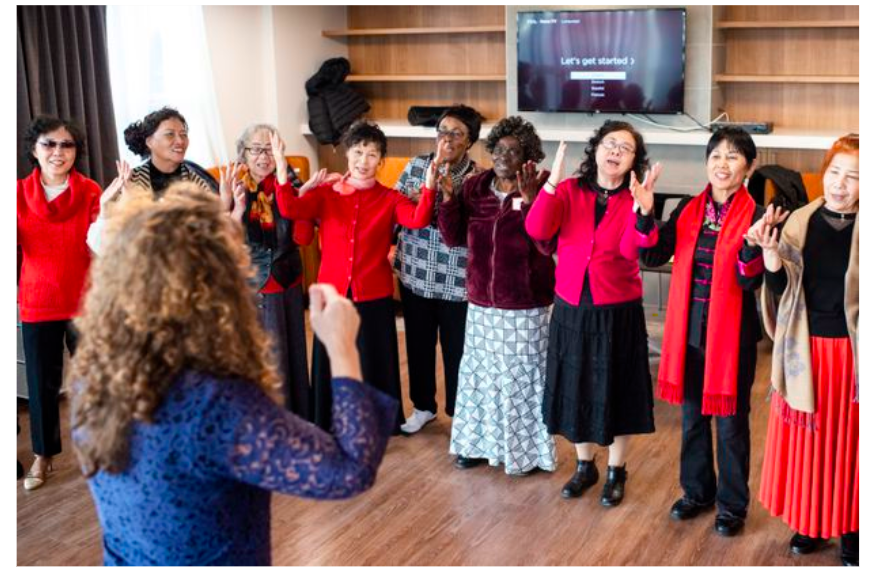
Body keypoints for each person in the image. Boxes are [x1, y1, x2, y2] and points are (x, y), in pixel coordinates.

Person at [69, 184, 397, 566]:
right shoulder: (214, 402)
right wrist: (341, 348)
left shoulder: (95, 372)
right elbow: (349, 470)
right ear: (216, 289)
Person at [640, 127, 774, 536]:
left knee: (731, 424)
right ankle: (697, 492)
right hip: (688, 332)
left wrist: (752, 248)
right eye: (716, 155)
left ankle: (732, 506)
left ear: (748, 167)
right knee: (692, 416)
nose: (722, 163)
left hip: (731, 336)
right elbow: (653, 252)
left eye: (733, 156)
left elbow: (751, 282)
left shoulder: (756, 215)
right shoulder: (687, 208)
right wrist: (645, 213)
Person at [525, 121, 660, 505]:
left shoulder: (636, 197)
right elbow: (537, 229)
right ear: (596, 149)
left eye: (626, 147)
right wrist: (552, 183)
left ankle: (617, 469)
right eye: (610, 143)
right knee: (575, 385)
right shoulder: (568, 190)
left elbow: (632, 252)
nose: (615, 151)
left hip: (616, 310)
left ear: (635, 159)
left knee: (617, 390)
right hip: (570, 305)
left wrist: (644, 214)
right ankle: (585, 465)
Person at [275, 120, 435, 435]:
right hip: (332, 292)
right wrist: (282, 170)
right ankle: (331, 420)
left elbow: (417, 220)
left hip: (373, 293)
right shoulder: (325, 192)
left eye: (372, 154)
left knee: (373, 359)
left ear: (381, 160)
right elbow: (291, 208)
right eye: (358, 152)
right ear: (347, 153)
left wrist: (429, 188)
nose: (364, 161)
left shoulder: (391, 198)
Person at [755, 134, 859, 566]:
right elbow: (783, 293)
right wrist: (770, 257)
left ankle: (855, 529)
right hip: (806, 352)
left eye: (854, 177)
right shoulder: (800, 221)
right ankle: (811, 523)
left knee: (853, 448)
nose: (840, 184)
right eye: (835, 172)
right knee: (810, 444)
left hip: (855, 357)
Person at [438, 115, 557, 476]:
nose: (505, 156)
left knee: (520, 379)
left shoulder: (544, 186)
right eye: (500, 149)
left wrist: (534, 202)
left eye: (514, 150)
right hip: (481, 303)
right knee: (480, 376)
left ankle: (526, 454)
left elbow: (548, 243)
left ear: (528, 156)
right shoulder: (474, 187)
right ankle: (476, 446)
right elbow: (453, 237)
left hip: (525, 303)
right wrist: (446, 199)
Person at [16, 116, 117, 490]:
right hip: (37, 299)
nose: (58, 152)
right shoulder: (15, 194)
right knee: (41, 384)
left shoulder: (92, 191)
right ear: (34, 150)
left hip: (86, 299)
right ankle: (44, 456)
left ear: (76, 152)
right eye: (49, 144)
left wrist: (107, 210)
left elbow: (102, 247)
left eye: (66, 145)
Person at [393, 105, 484, 434]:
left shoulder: (477, 178)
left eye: (455, 133)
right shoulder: (416, 165)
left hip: (457, 279)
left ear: (469, 141)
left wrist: (441, 198)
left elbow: (471, 227)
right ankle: (423, 407)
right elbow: (398, 207)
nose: (446, 139)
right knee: (418, 343)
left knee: (457, 349)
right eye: (442, 131)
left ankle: (459, 413)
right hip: (415, 271)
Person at [220, 124, 316, 418]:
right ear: (243, 154)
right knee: (266, 356)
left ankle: (297, 415)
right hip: (254, 282)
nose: (264, 156)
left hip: (288, 278)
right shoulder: (232, 184)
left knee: (294, 352)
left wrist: (302, 202)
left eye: (270, 149)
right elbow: (222, 243)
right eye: (256, 149)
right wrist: (226, 205)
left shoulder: (291, 182)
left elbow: (302, 239)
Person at [86, 107, 218, 254]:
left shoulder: (198, 183)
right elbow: (104, 248)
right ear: (149, 142)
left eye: (183, 134)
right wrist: (114, 208)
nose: (180, 141)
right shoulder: (129, 182)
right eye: (170, 134)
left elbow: (212, 236)